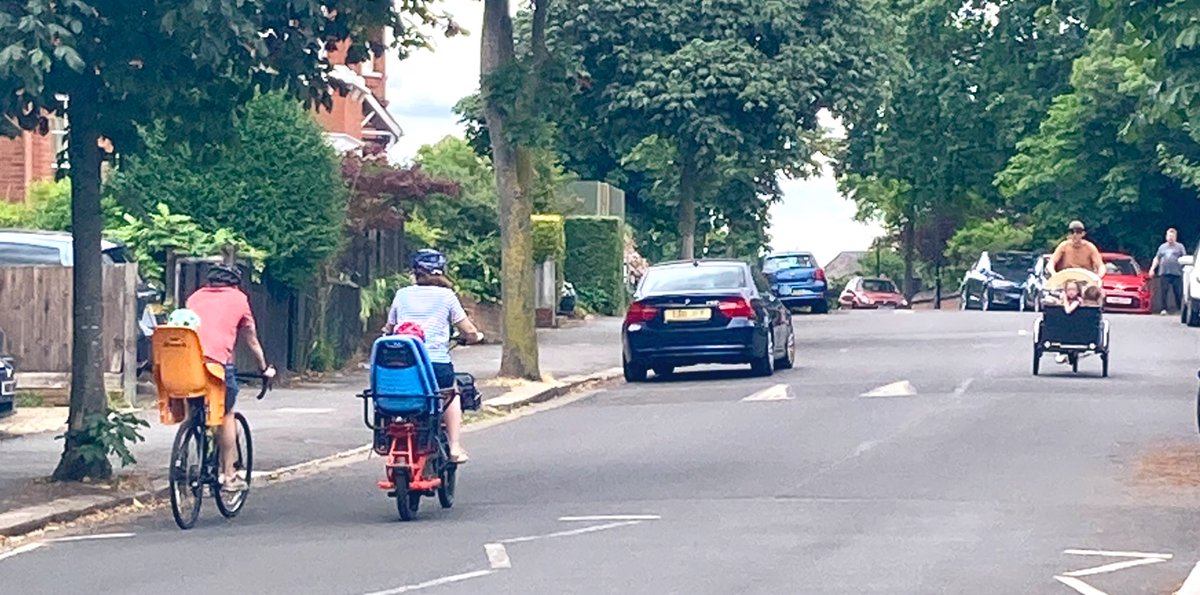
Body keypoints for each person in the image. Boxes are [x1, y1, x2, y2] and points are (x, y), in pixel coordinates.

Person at [384, 249, 484, 463]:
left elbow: (389, 327)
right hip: (436, 363)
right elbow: (467, 329)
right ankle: (455, 448)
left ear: (415, 273)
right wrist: (475, 336)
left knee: (401, 394)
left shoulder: (402, 294)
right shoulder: (447, 296)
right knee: (451, 395)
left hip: (403, 363)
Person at [185, 264, 275, 492]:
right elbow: (251, 339)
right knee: (226, 414)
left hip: (186, 365)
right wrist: (264, 369)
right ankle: (229, 475)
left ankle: (196, 457)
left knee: (195, 409)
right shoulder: (239, 299)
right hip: (217, 367)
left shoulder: (194, 298)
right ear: (235, 283)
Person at [1149, 227, 1186, 315]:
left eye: (1172, 236)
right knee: (1163, 291)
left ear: (1175, 237)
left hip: (1177, 273)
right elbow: (1157, 258)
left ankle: (1180, 309)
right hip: (1164, 272)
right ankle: (1163, 309)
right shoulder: (1162, 247)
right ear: (1166, 237)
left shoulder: (1180, 247)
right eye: (1169, 236)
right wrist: (1152, 269)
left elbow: (1184, 258)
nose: (1170, 238)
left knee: (1178, 292)